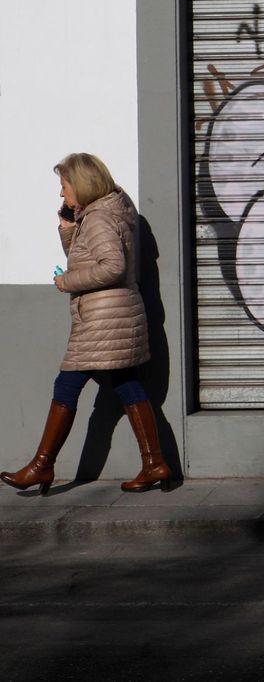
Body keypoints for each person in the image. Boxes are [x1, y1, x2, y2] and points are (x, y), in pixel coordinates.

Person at [2, 153, 172, 496]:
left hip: (103, 320)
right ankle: (154, 463)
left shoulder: (98, 219)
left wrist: (69, 282)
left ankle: (42, 465)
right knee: (126, 383)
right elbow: (91, 255)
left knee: (67, 386)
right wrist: (68, 231)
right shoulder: (107, 212)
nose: (62, 195)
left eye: (64, 187)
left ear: (81, 185)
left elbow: (112, 266)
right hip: (115, 316)